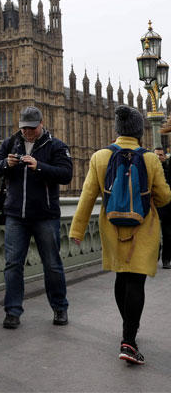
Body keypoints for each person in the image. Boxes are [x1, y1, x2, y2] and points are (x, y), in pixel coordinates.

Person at [70, 106, 171, 365]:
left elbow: (87, 197)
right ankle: (129, 339)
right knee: (136, 282)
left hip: (112, 228)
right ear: (139, 132)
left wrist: (77, 230)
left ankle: (128, 331)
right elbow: (164, 197)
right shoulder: (149, 159)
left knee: (121, 277)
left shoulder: (100, 157)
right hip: (143, 229)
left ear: (117, 130)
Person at [0, 106, 73, 329]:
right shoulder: (10, 143)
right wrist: (7, 163)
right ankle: (13, 312)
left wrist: (39, 166)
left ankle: (60, 308)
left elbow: (66, 174)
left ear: (41, 125)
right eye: (24, 128)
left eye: (31, 128)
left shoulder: (56, 146)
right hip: (15, 215)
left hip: (45, 215)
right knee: (12, 265)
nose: (27, 132)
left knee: (52, 265)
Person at [154, 147, 171, 268]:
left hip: (168, 208)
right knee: (153, 235)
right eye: (156, 155)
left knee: (168, 235)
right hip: (153, 208)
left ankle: (166, 260)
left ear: (164, 157)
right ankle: (155, 255)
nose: (159, 157)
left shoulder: (169, 169)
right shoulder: (150, 170)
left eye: (161, 155)